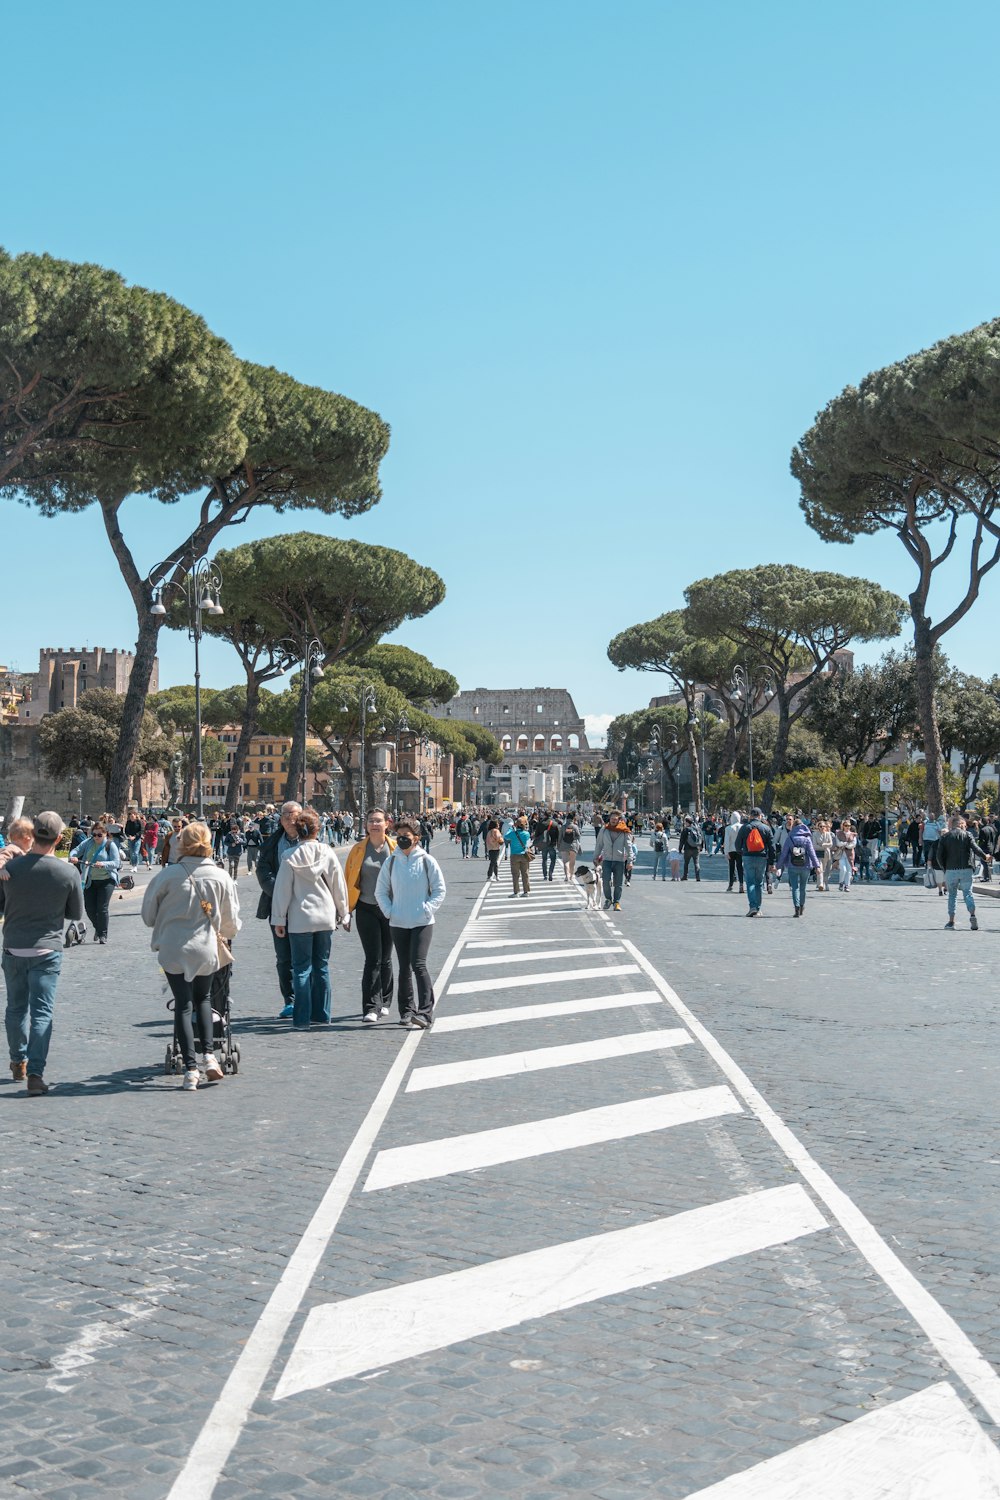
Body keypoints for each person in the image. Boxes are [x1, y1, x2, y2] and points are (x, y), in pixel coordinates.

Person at [141, 822, 240, 1090]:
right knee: (204, 999)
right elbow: (231, 923)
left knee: (183, 1004)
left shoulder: (167, 876)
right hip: (205, 948)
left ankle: (190, 1070)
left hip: (173, 949)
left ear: (181, 843)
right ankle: (209, 1056)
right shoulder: (221, 877)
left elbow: (148, 916)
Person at [1, 812, 84, 1095]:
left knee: (15, 1008)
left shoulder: (12, 868)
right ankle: (36, 1074)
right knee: (42, 1013)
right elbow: (75, 913)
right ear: (59, 838)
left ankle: (17, 1061)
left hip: (13, 946)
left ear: (32, 835)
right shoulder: (67, 872)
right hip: (47, 948)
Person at [272, 808, 349, 1029]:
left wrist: (279, 919)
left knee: (301, 968)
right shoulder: (327, 852)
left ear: (298, 830)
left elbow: (282, 891)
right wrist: (344, 913)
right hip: (325, 917)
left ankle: (302, 1018)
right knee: (321, 966)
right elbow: (338, 886)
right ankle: (322, 1015)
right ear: (318, 829)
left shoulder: (289, 856)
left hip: (299, 919)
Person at [375, 814, 446, 1029]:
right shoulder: (391, 861)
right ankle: (406, 1011)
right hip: (397, 922)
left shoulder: (427, 861)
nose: (402, 839)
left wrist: (427, 909)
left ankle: (425, 1012)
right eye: (399, 836)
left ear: (416, 838)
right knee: (404, 967)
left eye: (406, 836)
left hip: (422, 922)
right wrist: (390, 912)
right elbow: (380, 891)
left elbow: (439, 890)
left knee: (419, 964)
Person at [344, 808, 397, 1022]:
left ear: (387, 824)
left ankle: (385, 1000)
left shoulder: (395, 848)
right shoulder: (357, 850)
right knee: (372, 959)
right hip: (365, 907)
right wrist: (345, 911)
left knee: (386, 957)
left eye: (378, 821)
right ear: (366, 825)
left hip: (391, 909)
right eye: (371, 821)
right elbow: (347, 880)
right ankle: (370, 1007)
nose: (374, 824)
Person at [255, 800, 303, 1019]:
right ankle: (290, 1000)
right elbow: (263, 870)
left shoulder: (312, 843)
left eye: (293, 815)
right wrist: (280, 891)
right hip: (277, 907)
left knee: (305, 956)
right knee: (283, 957)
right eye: (285, 815)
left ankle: (306, 997)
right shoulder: (272, 843)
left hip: (305, 907)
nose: (289, 819)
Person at [69, 820, 121, 945]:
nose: (96, 837)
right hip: (90, 880)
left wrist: (103, 864)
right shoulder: (88, 843)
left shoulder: (110, 845)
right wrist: (73, 856)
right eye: (94, 835)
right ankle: (98, 929)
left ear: (105, 834)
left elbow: (116, 863)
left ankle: (103, 934)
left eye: (99, 835)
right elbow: (76, 850)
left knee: (102, 908)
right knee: (89, 908)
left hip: (106, 880)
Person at [938, 814, 989, 930]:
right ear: (961, 824)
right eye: (964, 825)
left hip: (951, 869)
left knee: (952, 896)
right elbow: (976, 848)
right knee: (968, 893)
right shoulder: (967, 835)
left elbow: (939, 855)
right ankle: (972, 915)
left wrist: (944, 868)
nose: (966, 827)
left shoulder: (945, 837)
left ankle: (951, 922)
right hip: (966, 868)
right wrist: (985, 856)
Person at [775, 816, 821, 917]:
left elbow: (784, 854)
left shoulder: (790, 838)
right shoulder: (807, 839)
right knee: (803, 888)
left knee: (795, 888)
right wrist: (817, 866)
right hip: (805, 866)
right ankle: (801, 906)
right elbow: (812, 853)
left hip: (792, 866)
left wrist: (778, 866)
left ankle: (796, 907)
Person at [735, 809, 776, 916]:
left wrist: (742, 853)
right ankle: (758, 908)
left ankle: (752, 906)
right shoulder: (766, 828)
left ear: (751, 816)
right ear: (760, 816)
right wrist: (771, 861)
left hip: (748, 857)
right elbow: (772, 847)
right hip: (762, 857)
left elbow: (737, 844)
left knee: (750, 882)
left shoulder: (744, 827)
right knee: (759, 883)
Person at [594, 811, 631, 911]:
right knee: (605, 881)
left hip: (619, 860)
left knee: (618, 884)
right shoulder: (604, 830)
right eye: (612, 819)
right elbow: (599, 844)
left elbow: (629, 846)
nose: (613, 821)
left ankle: (617, 902)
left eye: (615, 819)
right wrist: (595, 857)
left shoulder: (624, 831)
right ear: (609, 819)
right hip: (607, 860)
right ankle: (608, 899)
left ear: (619, 820)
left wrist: (630, 861)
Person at [504, 815, 533, 898]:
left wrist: (511, 828)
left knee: (515, 874)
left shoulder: (513, 833)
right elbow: (528, 843)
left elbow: (506, 836)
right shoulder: (527, 833)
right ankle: (526, 891)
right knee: (525, 873)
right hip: (524, 854)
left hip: (514, 855)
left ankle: (516, 892)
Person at [724, 812, 744, 893]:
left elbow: (727, 841)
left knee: (731, 868)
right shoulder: (742, 827)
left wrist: (726, 852)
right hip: (740, 850)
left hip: (731, 850)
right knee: (740, 868)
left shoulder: (728, 828)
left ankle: (730, 885)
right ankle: (741, 884)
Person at [834, 819, 857, 892]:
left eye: (849, 826)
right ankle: (841, 882)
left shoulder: (853, 834)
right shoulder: (839, 833)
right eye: (846, 825)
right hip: (841, 854)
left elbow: (853, 844)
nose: (847, 827)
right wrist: (845, 844)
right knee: (843, 869)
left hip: (850, 854)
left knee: (849, 870)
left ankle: (847, 885)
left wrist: (846, 845)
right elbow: (838, 843)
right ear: (843, 826)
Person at [679, 817, 703, 882]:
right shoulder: (697, 829)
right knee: (696, 863)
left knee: (686, 863)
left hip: (687, 849)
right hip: (696, 848)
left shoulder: (686, 830)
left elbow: (682, 840)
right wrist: (701, 847)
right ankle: (698, 877)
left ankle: (685, 876)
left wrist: (680, 849)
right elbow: (701, 838)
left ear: (687, 822)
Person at [559, 815, 581, 882]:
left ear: (566, 819)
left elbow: (560, 836)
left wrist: (559, 845)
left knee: (566, 862)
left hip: (564, 845)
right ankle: (571, 875)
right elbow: (578, 836)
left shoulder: (563, 827)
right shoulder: (575, 826)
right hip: (573, 845)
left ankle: (566, 876)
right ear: (573, 819)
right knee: (572, 862)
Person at [541, 813, 562, 883]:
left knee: (544, 859)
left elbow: (537, 834)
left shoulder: (542, 823)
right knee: (553, 859)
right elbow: (559, 835)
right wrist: (558, 844)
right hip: (552, 844)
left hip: (544, 844)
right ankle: (550, 872)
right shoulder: (555, 824)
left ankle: (545, 875)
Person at [123, 806, 144, 870]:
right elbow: (126, 830)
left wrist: (135, 836)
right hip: (130, 839)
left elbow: (141, 830)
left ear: (135, 816)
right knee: (131, 852)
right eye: (130, 816)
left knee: (135, 852)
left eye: (133, 816)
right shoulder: (128, 822)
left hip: (137, 839)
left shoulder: (139, 822)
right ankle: (133, 864)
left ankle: (135, 865)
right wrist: (129, 836)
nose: (131, 817)